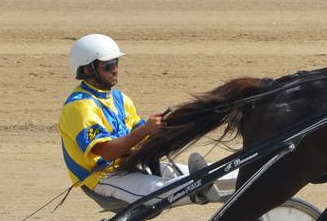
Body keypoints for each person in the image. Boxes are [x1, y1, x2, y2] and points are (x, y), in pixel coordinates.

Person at [58, 34, 233, 208]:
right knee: (165, 189)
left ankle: (245, 175)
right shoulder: (80, 106)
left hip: (132, 164)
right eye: (108, 65)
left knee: (219, 171)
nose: (115, 69)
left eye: (116, 63)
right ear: (87, 69)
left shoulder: (121, 99)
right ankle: (199, 188)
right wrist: (146, 130)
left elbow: (143, 138)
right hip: (103, 177)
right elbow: (107, 152)